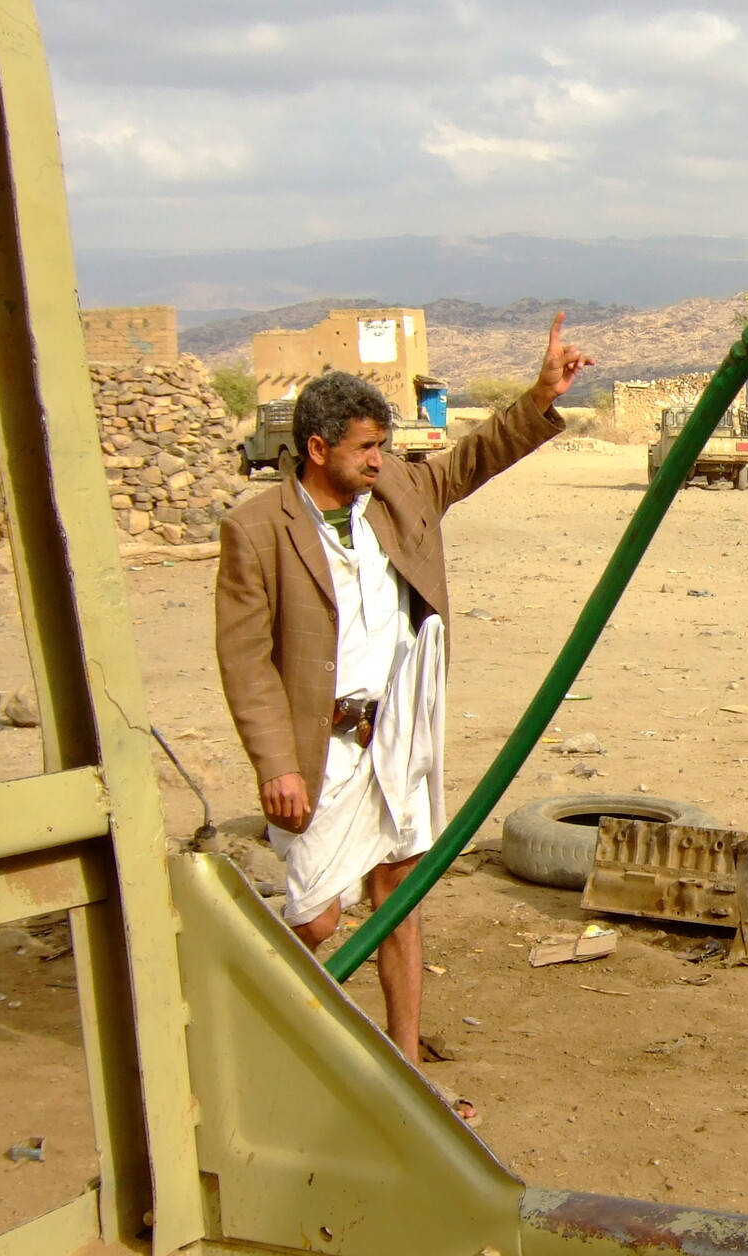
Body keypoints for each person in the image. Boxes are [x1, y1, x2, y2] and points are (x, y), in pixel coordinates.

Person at [216, 316, 593, 1071]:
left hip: (396, 740)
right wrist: (274, 765)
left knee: (400, 901)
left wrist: (541, 394)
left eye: (382, 446)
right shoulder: (257, 529)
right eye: (365, 448)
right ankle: (258, 1030)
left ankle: (403, 1060)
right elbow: (245, 659)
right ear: (318, 449)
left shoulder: (396, 494)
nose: (379, 460)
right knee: (320, 919)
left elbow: (474, 459)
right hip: (319, 750)